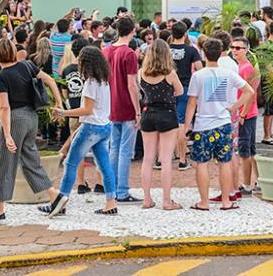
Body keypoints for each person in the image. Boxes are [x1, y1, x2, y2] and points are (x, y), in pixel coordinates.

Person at [0, 39, 64, 224]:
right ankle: (54, 195)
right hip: (31, 118)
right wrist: (59, 103)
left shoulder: (1, 77)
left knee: (3, 164)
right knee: (30, 161)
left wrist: (8, 135)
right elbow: (49, 80)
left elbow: (4, 108)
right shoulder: (27, 66)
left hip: (14, 120)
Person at [45, 46, 117, 217]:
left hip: (91, 127)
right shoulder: (103, 80)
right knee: (104, 165)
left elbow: (87, 110)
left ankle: (60, 201)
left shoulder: (91, 83)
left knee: (70, 163)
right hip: (104, 126)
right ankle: (111, 202)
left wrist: (63, 112)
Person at [185, 38, 253, 211]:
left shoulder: (198, 76)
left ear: (203, 53)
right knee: (225, 162)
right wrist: (233, 108)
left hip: (203, 125)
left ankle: (204, 202)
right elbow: (249, 92)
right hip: (223, 124)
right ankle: (225, 201)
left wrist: (187, 125)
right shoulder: (228, 73)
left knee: (201, 163)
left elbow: (192, 103)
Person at [138, 39, 184, 210]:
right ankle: (166, 201)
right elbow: (180, 91)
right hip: (167, 114)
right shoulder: (169, 73)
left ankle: (147, 199)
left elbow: (142, 91)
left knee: (148, 158)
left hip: (148, 113)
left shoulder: (141, 72)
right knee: (165, 160)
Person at [103, 17, 142, 204]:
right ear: (132, 31)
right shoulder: (129, 54)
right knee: (125, 150)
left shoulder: (106, 51)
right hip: (126, 105)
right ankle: (123, 190)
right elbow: (132, 84)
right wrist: (138, 111)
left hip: (111, 105)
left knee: (113, 149)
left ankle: (112, 189)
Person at [60, 38, 103, 195]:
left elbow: (64, 90)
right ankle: (100, 182)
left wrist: (68, 105)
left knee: (77, 149)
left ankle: (80, 183)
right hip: (91, 113)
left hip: (74, 111)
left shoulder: (67, 69)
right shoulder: (91, 69)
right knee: (99, 148)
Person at [168, 21, 203, 171]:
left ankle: (160, 159)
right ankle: (182, 160)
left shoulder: (165, 50)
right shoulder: (191, 50)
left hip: (166, 89)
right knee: (182, 124)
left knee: (167, 123)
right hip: (185, 88)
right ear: (185, 33)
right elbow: (200, 70)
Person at [231, 37, 261, 196]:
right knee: (250, 149)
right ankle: (259, 180)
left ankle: (247, 184)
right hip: (247, 112)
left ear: (246, 50)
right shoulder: (240, 66)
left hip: (246, 113)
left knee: (245, 151)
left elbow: (251, 94)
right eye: (233, 47)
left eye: (238, 48)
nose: (234, 50)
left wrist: (242, 114)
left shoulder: (246, 68)